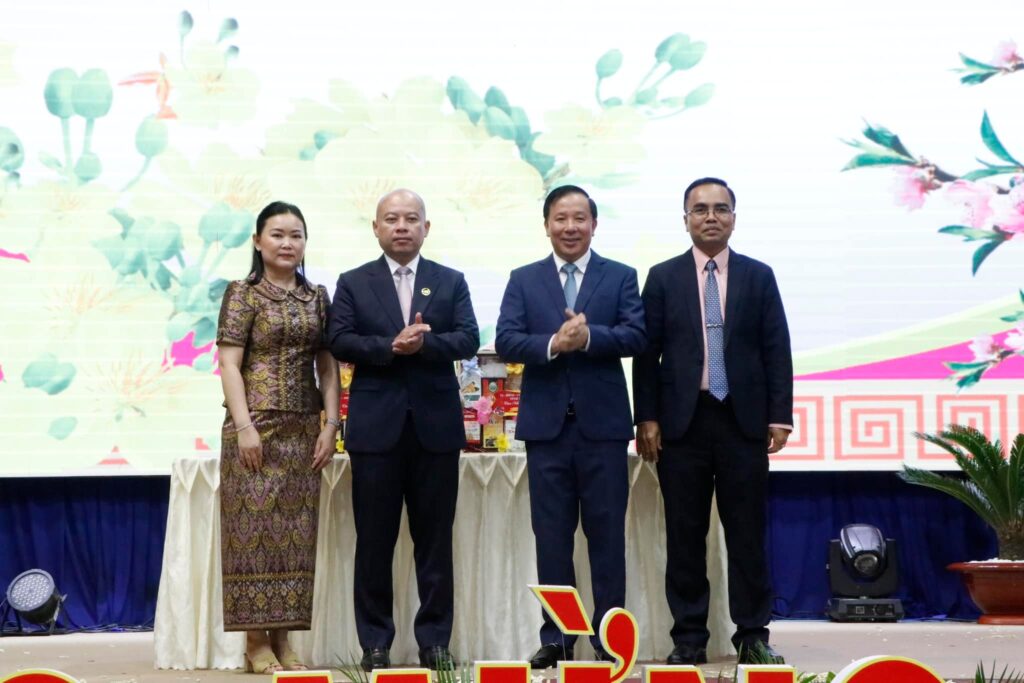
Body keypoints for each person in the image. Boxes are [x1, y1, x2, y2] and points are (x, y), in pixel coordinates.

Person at [632, 177, 792, 665]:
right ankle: (689, 637)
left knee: (747, 534)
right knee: (685, 536)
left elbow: (776, 348)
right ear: (685, 220)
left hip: (743, 422)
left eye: (720, 208)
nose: (710, 217)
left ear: (734, 219)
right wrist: (647, 417)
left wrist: (780, 416)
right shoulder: (662, 277)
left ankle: (752, 634)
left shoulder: (758, 276)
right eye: (700, 209)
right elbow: (646, 354)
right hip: (683, 424)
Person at [326, 189, 479, 672]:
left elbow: (469, 338)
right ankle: (375, 643)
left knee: (435, 541)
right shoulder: (353, 282)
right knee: (374, 542)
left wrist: (424, 346)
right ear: (376, 228)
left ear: (426, 228)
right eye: (391, 219)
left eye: (411, 219)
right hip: (376, 432)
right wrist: (390, 346)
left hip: (435, 431)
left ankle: (435, 641)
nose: (401, 227)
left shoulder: (450, 281)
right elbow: (339, 339)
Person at [495, 185, 646, 668]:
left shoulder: (620, 276)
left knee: (607, 538)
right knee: (552, 539)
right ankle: (558, 637)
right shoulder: (524, 279)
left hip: (603, 430)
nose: (570, 227)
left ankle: (608, 640)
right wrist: (554, 344)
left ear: (594, 224)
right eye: (560, 218)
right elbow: (507, 339)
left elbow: (637, 335)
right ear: (546, 225)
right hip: (547, 431)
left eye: (580, 218)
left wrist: (588, 338)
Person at [217, 201, 341, 673]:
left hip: (304, 428)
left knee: (294, 536)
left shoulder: (318, 297)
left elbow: (326, 365)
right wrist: (244, 425)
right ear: (257, 241)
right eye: (277, 234)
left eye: (296, 235)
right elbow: (229, 363)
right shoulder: (243, 293)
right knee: (252, 535)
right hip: (255, 428)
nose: (288, 243)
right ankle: (255, 643)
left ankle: (284, 639)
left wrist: (330, 424)